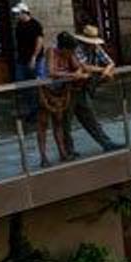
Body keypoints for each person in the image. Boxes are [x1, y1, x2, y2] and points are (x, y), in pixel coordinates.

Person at [67, 24, 125, 153]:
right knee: (66, 122)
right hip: (70, 88)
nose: (93, 45)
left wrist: (108, 70)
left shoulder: (96, 48)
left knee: (89, 118)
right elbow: (84, 66)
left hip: (83, 88)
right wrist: (102, 69)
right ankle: (68, 150)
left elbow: (110, 62)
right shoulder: (77, 48)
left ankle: (106, 143)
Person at [36, 32, 88, 167]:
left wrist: (78, 72)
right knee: (43, 123)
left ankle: (62, 152)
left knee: (58, 122)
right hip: (45, 89)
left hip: (59, 91)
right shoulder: (51, 52)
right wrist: (72, 74)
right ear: (64, 48)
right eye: (70, 50)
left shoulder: (69, 55)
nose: (71, 53)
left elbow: (79, 68)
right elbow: (51, 72)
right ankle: (43, 157)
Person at [12, 2, 44, 122]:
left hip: (34, 59)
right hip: (22, 59)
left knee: (37, 83)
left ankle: (40, 109)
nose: (15, 16)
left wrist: (34, 57)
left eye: (17, 13)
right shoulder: (19, 25)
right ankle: (33, 109)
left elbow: (39, 41)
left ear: (24, 13)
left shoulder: (35, 25)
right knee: (22, 84)